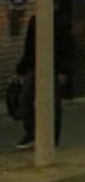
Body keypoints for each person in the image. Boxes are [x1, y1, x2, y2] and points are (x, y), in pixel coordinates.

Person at [15, 9, 73, 150]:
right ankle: (31, 134)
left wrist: (63, 70)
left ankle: (51, 138)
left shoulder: (60, 21)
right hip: (35, 66)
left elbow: (67, 47)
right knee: (26, 100)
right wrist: (21, 68)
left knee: (52, 103)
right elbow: (29, 46)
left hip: (54, 67)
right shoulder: (34, 21)